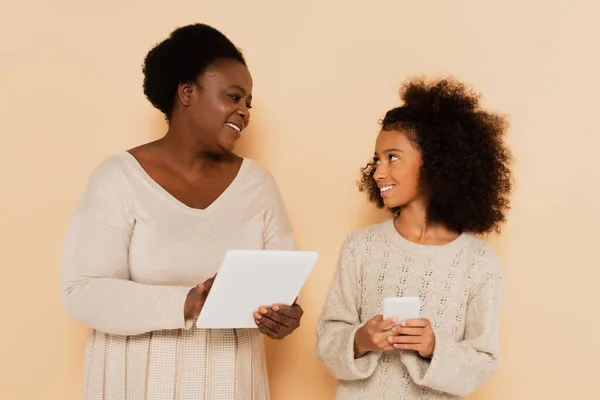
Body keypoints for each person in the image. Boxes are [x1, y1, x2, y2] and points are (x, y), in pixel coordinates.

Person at [60, 23, 303, 400]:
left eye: (248, 103)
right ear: (187, 93)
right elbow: (82, 291)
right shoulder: (118, 178)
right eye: (234, 97)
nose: (244, 111)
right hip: (134, 383)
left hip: (231, 384)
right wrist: (187, 301)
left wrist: (283, 315)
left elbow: (281, 287)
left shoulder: (259, 185)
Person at [315, 77, 512, 399]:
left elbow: (483, 362)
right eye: (377, 159)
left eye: (392, 157)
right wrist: (361, 340)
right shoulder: (360, 247)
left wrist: (434, 347)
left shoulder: (478, 261)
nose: (378, 172)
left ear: (436, 162)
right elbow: (328, 336)